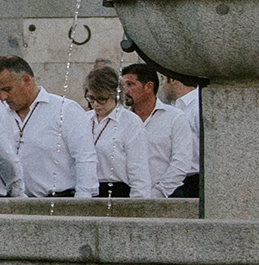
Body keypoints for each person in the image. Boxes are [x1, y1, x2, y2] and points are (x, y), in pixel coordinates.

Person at [0, 55, 100, 198]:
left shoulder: (65, 109)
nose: (3, 96)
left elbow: (84, 158)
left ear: (26, 80)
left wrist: (83, 199)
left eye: (7, 89)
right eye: (0, 90)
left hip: (59, 200)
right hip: (15, 203)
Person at [83, 64, 146, 198]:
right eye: (91, 98)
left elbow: (138, 171)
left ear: (114, 95)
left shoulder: (130, 122)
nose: (95, 104)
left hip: (117, 190)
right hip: (86, 189)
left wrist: (139, 203)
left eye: (101, 99)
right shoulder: (84, 119)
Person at [146, 66, 204, 198]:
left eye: (163, 79)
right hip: (172, 181)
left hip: (193, 181)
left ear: (174, 80)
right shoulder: (174, 107)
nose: (162, 87)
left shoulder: (197, 106)